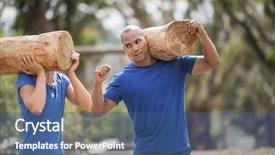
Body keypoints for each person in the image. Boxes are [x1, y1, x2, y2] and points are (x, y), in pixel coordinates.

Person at [91, 19, 220, 155]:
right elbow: (98, 111)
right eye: (128, 45)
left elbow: (212, 62)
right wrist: (98, 83)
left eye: (137, 41)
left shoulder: (175, 65)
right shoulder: (122, 80)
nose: (135, 48)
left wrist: (202, 34)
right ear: (125, 50)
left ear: (146, 39)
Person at [16, 51, 92, 155]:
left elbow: (88, 105)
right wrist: (41, 73)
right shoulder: (26, 78)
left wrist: (71, 73)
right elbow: (37, 108)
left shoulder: (62, 81)